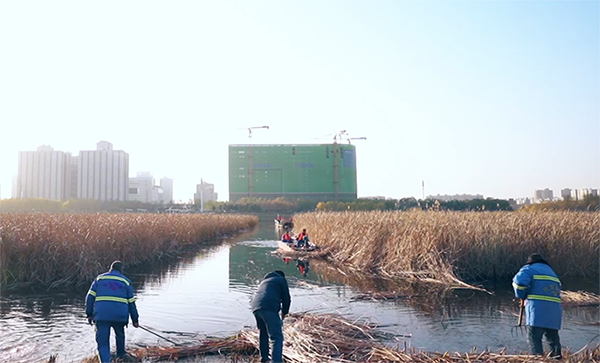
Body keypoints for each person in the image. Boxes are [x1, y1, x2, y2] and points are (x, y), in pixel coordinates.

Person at [86, 261, 140, 363]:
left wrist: (89, 314)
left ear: (110, 268)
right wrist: (135, 320)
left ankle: (105, 361)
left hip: (101, 316)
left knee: (102, 343)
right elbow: (131, 303)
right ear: (121, 270)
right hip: (119, 316)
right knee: (120, 335)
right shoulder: (126, 282)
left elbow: (89, 298)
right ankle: (120, 356)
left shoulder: (99, 279)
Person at [513, 253, 562, 358]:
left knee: (534, 338)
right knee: (553, 340)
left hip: (537, 311)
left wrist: (521, 295)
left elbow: (519, 283)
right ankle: (557, 359)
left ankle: (537, 359)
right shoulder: (552, 273)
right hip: (554, 313)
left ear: (530, 262)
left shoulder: (529, 269)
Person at [251, 270, 291, 363]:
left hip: (256, 308)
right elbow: (287, 299)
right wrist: (284, 313)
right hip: (269, 308)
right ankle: (276, 361)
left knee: (263, 334)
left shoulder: (264, 281)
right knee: (276, 337)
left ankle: (264, 359)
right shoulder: (281, 280)